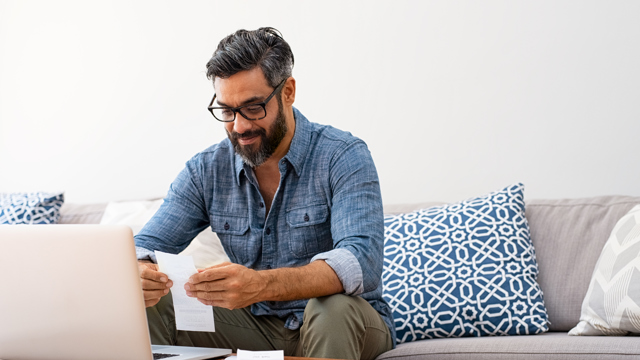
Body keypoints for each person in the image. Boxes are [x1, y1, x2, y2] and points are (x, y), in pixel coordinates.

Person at [134, 27, 395, 359]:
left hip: (347, 325)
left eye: (253, 107)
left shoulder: (343, 155)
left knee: (332, 309)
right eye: (227, 111)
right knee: (151, 304)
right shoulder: (206, 170)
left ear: (288, 91)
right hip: (256, 325)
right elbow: (143, 247)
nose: (240, 126)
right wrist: (140, 273)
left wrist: (261, 284)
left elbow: (361, 261)